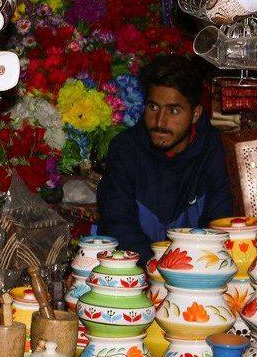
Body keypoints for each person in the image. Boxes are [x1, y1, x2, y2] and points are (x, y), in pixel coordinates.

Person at [97, 54, 233, 252]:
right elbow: (117, 225)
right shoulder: (125, 149)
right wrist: (156, 264)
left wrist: (180, 265)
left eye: (173, 110)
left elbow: (219, 225)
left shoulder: (216, 150)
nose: (159, 121)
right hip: (136, 266)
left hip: (201, 265)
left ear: (195, 114)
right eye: (153, 107)